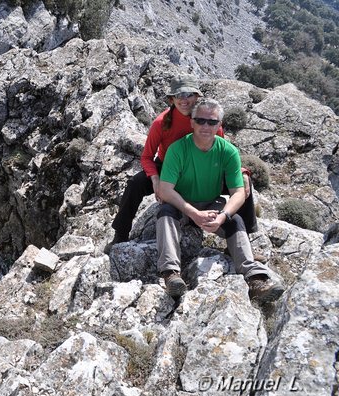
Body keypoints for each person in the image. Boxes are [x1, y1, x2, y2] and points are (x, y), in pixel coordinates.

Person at [106, 75, 258, 251]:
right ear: (172, 99)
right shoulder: (161, 123)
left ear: (196, 97)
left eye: (189, 95)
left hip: (203, 169)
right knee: (135, 183)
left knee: (244, 187)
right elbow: (147, 156)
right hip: (168, 169)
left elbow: (221, 153)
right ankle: (121, 234)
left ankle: (244, 239)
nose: (184, 100)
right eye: (179, 95)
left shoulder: (208, 121)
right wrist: (155, 179)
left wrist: (242, 172)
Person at [156, 98, 284, 303]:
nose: (206, 126)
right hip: (182, 203)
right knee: (165, 213)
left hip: (211, 204)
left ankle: (255, 279)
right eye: (200, 121)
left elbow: (239, 192)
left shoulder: (228, 151)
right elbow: (165, 190)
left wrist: (223, 216)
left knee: (235, 221)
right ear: (191, 122)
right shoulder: (178, 149)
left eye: (212, 122)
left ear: (219, 125)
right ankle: (171, 274)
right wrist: (193, 213)